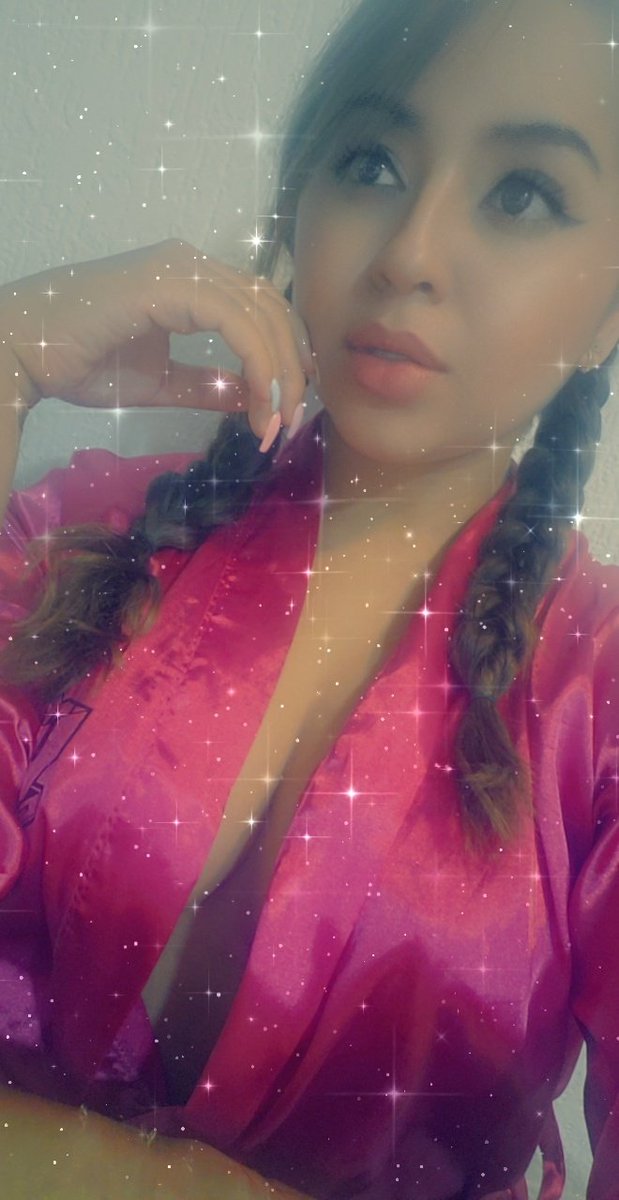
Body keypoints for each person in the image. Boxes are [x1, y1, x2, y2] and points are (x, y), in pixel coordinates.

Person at [0, 0, 618, 1195]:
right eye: (372, 164)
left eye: (523, 193)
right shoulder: (79, 536)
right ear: (297, 208)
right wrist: (5, 358)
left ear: (609, 312)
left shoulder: (599, 710)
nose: (409, 254)